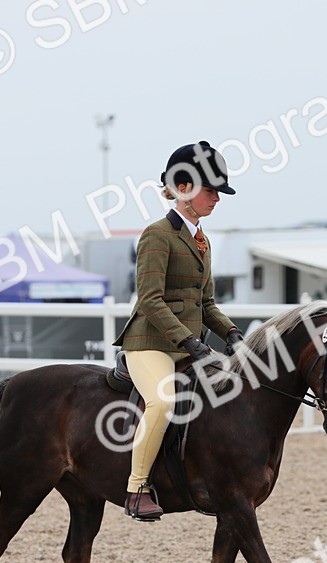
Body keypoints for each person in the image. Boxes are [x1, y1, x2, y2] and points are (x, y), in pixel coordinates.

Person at [112, 141, 245, 521]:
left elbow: (206, 304)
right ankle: (137, 487)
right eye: (211, 190)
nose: (217, 198)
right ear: (183, 187)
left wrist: (233, 334)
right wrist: (188, 341)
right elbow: (151, 300)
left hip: (189, 347)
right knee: (163, 401)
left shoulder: (202, 240)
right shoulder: (157, 235)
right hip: (150, 343)